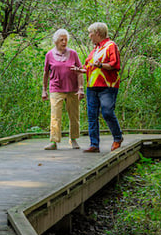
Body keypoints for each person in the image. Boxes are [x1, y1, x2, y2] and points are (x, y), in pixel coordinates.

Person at [73, 22, 123, 153]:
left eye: (90, 33)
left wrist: (101, 65)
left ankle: (118, 137)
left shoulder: (111, 46)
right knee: (92, 115)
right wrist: (79, 70)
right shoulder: (95, 49)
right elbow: (89, 67)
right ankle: (94, 144)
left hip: (107, 86)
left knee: (107, 112)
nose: (89, 36)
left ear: (97, 33)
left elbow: (115, 65)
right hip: (92, 86)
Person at [41, 29, 84, 150]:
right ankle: (54, 141)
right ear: (55, 41)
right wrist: (44, 90)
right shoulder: (49, 55)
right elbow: (45, 73)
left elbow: (80, 72)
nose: (64, 42)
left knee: (74, 116)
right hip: (56, 88)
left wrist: (81, 89)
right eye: (61, 40)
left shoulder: (73, 53)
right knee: (55, 116)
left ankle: (74, 139)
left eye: (66, 39)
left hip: (73, 89)